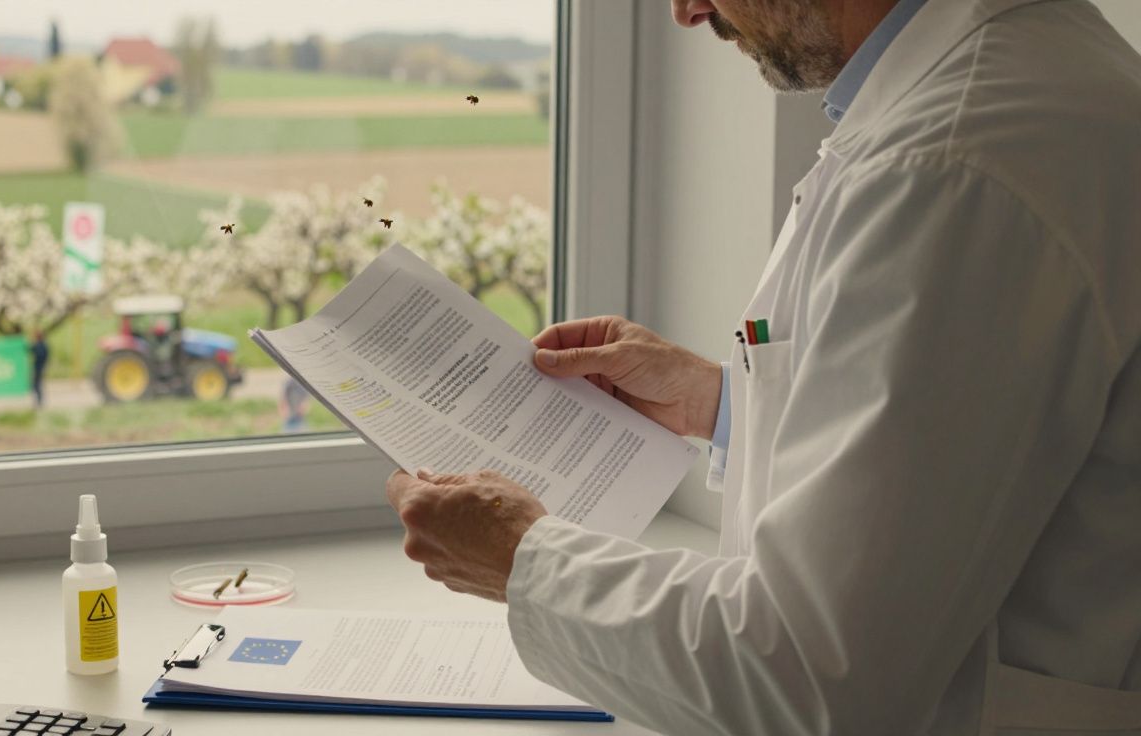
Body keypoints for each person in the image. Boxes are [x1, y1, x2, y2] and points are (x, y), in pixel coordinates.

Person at [385, 1, 1141, 734]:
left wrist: (525, 560)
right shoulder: (1000, 88)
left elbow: (812, 679)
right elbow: (974, 440)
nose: (685, 11)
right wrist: (720, 408)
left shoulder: (955, 160)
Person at [29, 330, 50, 409]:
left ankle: (39, 401)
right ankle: (38, 401)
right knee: (36, 385)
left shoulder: (41, 346)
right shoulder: (42, 345)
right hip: (39, 367)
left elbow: (39, 354)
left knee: (37, 385)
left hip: (39, 367)